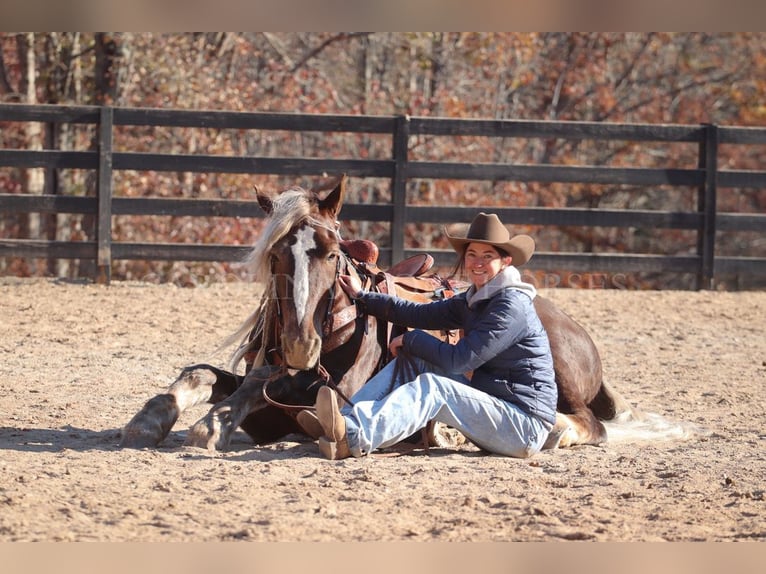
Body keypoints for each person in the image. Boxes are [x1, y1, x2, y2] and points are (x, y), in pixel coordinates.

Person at [297, 212, 557, 460]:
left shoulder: (509, 305)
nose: (477, 263)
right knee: (413, 361)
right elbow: (420, 314)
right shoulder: (477, 298)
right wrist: (364, 297)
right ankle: (343, 422)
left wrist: (412, 340)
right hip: (497, 404)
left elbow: (461, 361)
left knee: (434, 388)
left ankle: (353, 437)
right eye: (472, 254)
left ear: (505, 261)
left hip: (524, 426)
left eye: (487, 256)